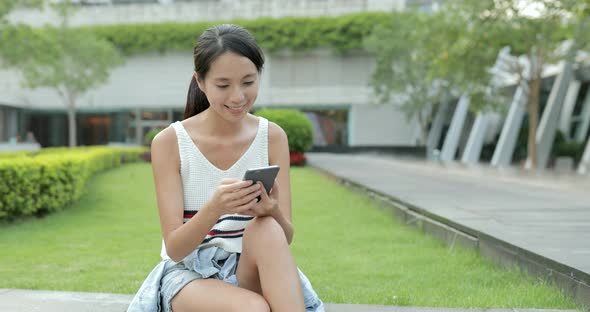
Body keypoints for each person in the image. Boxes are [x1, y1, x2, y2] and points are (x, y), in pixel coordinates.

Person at [127, 24, 323, 312]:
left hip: (249, 267)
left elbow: (286, 237)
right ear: (201, 81)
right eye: (223, 85)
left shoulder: (272, 137)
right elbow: (175, 249)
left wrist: (272, 211)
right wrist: (215, 207)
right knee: (253, 308)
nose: (237, 97)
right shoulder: (170, 142)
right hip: (190, 275)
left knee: (267, 228)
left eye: (248, 82)